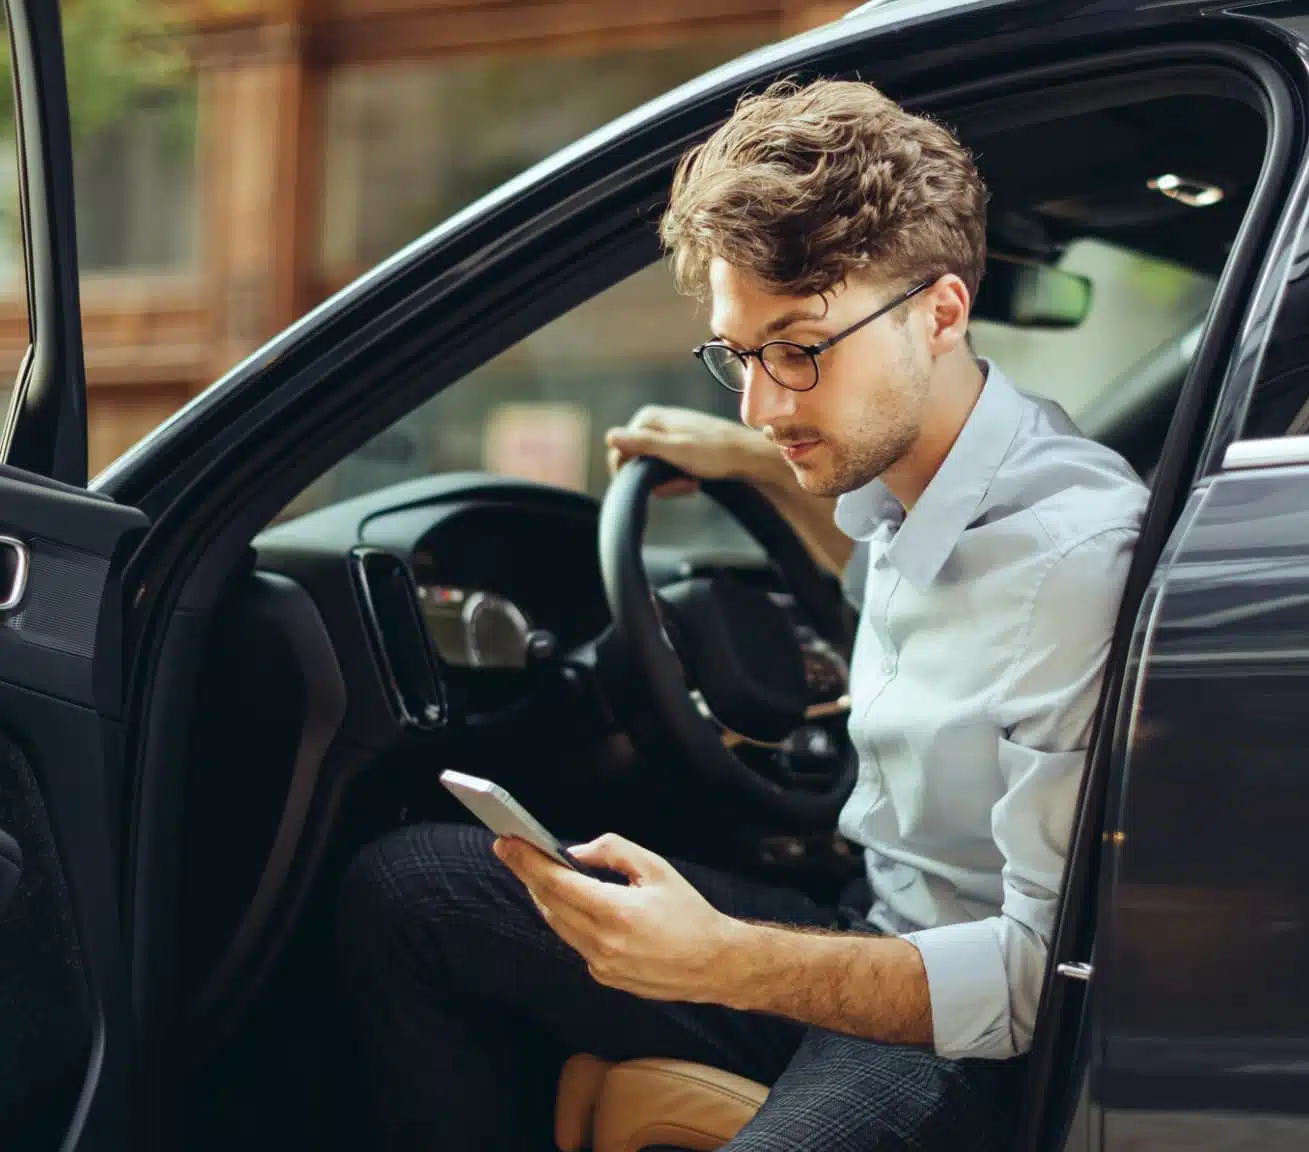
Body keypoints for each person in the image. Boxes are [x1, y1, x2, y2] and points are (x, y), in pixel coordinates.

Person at [336, 76, 1148, 1150]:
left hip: (975, 1033)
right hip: (865, 926)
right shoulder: (914, 475)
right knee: (413, 894)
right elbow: (871, 583)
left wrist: (718, 958)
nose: (763, 403)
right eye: (738, 353)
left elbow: (1048, 981)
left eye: (799, 349)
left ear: (942, 312)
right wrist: (743, 461)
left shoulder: (1074, 560)